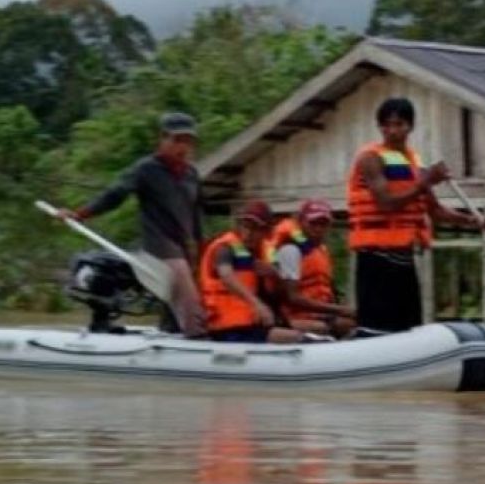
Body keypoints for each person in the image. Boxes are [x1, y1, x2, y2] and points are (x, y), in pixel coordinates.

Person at [346, 97, 485, 333]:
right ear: (380, 127)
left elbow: (434, 210)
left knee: (407, 324)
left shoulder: (415, 163)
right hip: (375, 256)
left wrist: (472, 221)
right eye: (387, 125)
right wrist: (425, 182)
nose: (392, 131)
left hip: (404, 256)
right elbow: (386, 204)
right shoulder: (370, 158)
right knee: (378, 326)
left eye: (399, 124)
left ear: (410, 126)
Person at [62, 112, 205, 336]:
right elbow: (115, 195)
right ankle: (197, 335)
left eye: (188, 141)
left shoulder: (192, 174)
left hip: (184, 248)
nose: (183, 147)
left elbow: (195, 214)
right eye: (178, 140)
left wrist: (200, 249)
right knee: (184, 286)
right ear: (163, 139)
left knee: (191, 284)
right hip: (158, 245)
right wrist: (81, 214)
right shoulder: (146, 169)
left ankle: (171, 333)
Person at [200, 200, 304, 344]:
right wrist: (257, 304)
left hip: (253, 322)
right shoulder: (224, 248)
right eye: (246, 226)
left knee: (306, 335)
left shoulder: (264, 252)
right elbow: (227, 277)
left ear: (267, 231)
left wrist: (274, 275)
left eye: (256, 228)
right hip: (226, 325)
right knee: (293, 338)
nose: (248, 233)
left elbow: (280, 295)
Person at [269, 198, 356, 338]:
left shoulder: (321, 250)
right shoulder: (291, 250)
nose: (318, 228)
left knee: (351, 323)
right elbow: (293, 297)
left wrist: (340, 307)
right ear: (301, 223)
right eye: (313, 223)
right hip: (294, 317)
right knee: (322, 327)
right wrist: (340, 310)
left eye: (323, 224)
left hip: (321, 315)